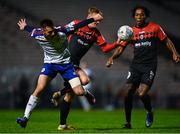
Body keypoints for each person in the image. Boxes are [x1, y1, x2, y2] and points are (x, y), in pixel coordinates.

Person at [16, 14, 103, 128]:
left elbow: (78, 25)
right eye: (49, 32)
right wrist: (25, 27)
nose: (52, 34)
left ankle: (86, 93)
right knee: (40, 88)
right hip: (50, 65)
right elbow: (30, 29)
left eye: (53, 31)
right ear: (43, 31)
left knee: (79, 92)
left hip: (66, 65)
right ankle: (25, 118)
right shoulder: (37, 34)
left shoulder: (62, 31)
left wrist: (93, 19)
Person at [106, 5, 180, 129]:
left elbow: (167, 41)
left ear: (145, 16)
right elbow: (120, 48)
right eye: (137, 15)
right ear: (134, 17)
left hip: (149, 66)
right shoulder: (130, 32)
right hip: (135, 66)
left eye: (141, 14)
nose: (139, 17)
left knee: (141, 94)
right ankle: (128, 123)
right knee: (128, 93)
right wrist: (112, 58)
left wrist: (175, 52)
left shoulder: (155, 28)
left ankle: (149, 111)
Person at [51, 7, 120, 131]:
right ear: (89, 16)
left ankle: (61, 121)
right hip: (65, 62)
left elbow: (105, 48)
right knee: (80, 87)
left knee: (72, 94)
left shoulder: (96, 33)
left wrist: (117, 43)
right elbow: (64, 30)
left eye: (99, 21)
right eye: (96, 19)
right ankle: (73, 96)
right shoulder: (77, 24)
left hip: (75, 64)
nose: (97, 22)